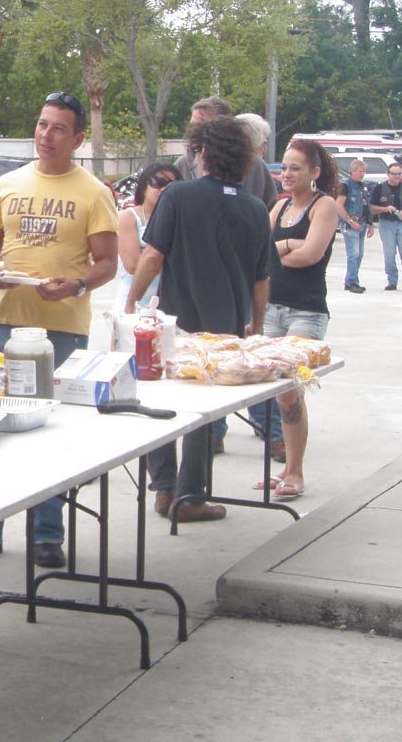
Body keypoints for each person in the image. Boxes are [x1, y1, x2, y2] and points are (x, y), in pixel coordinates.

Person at [0, 91, 119, 568]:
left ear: (77, 139)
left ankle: (46, 535)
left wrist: (77, 285)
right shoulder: (8, 183)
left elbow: (108, 262)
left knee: (50, 431)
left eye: (58, 128)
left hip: (63, 329)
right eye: (41, 124)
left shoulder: (93, 192)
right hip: (7, 324)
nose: (46, 135)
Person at [127, 115, 273, 522]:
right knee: (204, 416)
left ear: (203, 152)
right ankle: (190, 497)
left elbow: (153, 256)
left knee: (159, 404)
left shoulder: (178, 195)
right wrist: (257, 326)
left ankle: (164, 489)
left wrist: (132, 302)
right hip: (224, 333)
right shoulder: (256, 209)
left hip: (174, 326)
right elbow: (262, 280)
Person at [248, 138, 340, 499]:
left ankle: (296, 472)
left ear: (314, 172)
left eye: (295, 168)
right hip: (271, 308)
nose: (286, 174)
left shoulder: (324, 206)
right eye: (283, 167)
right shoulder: (279, 206)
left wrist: (280, 250)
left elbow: (311, 255)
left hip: (306, 311)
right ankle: (283, 470)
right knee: (273, 388)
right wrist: (288, 245)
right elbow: (260, 255)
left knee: (290, 390)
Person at [174, 99, 279, 210]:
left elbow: (270, 211)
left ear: (224, 126)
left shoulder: (254, 165)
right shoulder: (182, 165)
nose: (193, 131)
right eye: (192, 125)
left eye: (201, 125)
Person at [114, 161, 180, 314]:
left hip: (169, 310)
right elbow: (133, 265)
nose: (163, 189)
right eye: (157, 183)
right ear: (144, 186)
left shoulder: (180, 219)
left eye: (171, 185)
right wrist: (168, 254)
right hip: (131, 307)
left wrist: (149, 252)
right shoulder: (128, 217)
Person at [371, 164, 402, 291]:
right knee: (389, 254)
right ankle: (392, 281)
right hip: (386, 223)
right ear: (388, 174)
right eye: (394, 174)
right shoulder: (380, 188)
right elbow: (372, 207)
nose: (397, 176)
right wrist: (385, 209)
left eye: (399, 174)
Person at [337, 159, 375, 293]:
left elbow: (366, 206)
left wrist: (371, 224)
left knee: (359, 254)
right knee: (354, 254)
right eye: (359, 171)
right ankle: (352, 282)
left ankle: (351, 280)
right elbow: (338, 205)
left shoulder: (362, 186)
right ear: (351, 171)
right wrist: (349, 221)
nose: (361, 174)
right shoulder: (345, 186)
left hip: (362, 223)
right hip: (350, 224)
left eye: (363, 172)